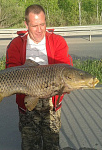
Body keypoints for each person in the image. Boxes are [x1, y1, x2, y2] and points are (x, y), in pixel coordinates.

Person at [6, 4, 73, 150]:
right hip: (27, 103)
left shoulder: (58, 42)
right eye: (35, 25)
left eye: (42, 24)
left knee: (52, 144)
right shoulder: (16, 44)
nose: (40, 30)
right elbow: (10, 70)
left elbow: (66, 70)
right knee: (30, 145)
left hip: (51, 104)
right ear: (26, 24)